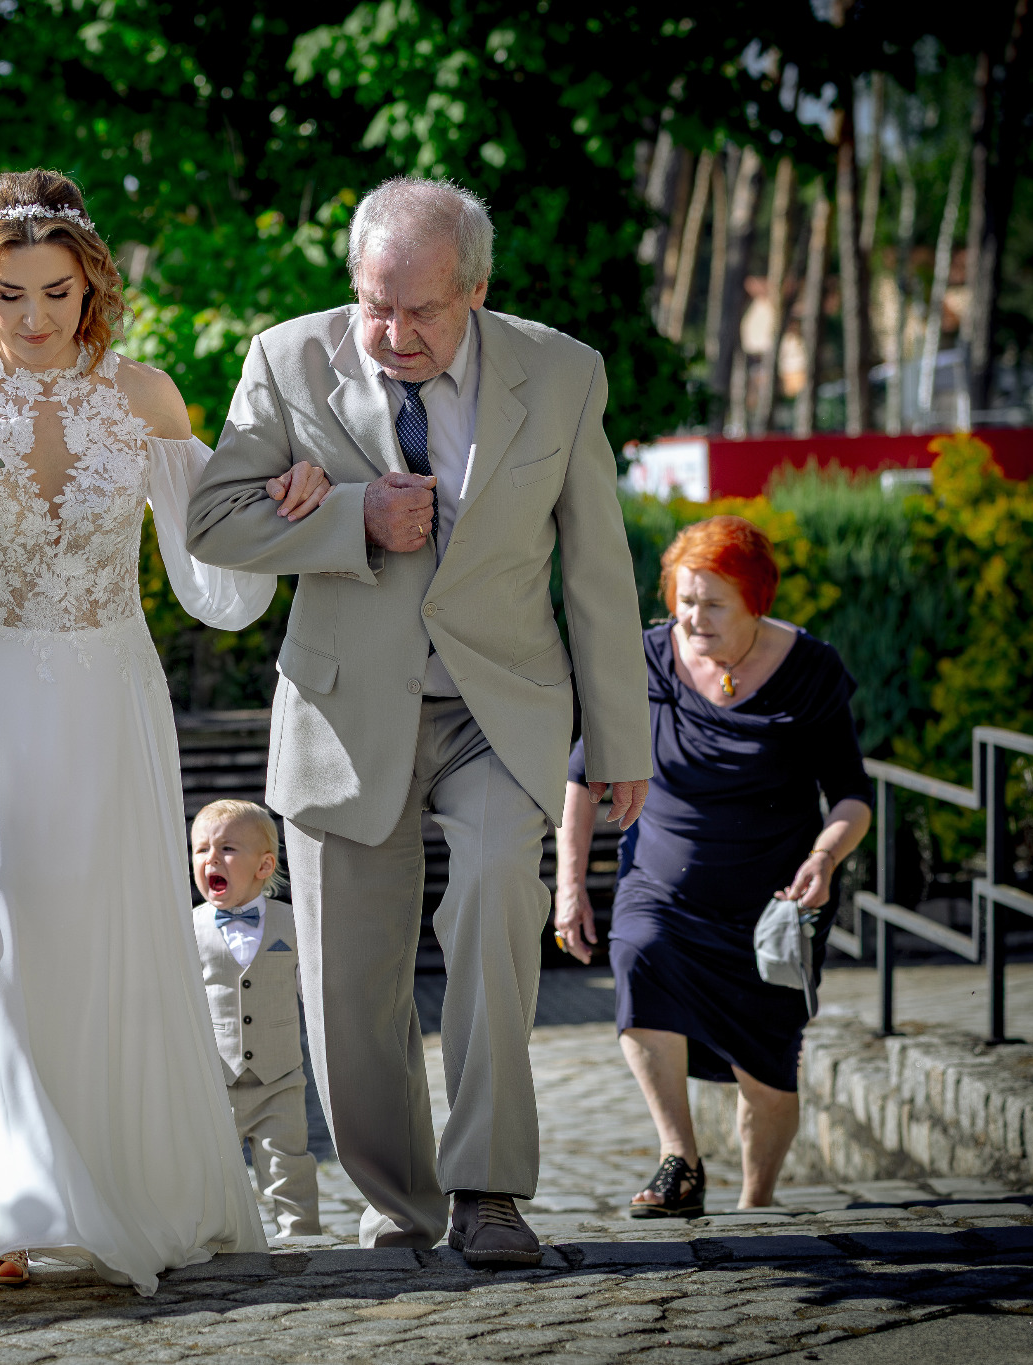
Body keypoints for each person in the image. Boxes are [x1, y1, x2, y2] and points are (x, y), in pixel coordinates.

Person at [0, 170, 327, 1301]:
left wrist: (284, 509)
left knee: (89, 935)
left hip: (105, 694)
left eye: (54, 290)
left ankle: (101, 1194)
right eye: (9, 296)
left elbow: (211, 572)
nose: (34, 317)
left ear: (91, 284)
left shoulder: (145, 399)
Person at [187, 177, 652, 1267]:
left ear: (475, 290)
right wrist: (351, 518)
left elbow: (594, 568)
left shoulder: (564, 371)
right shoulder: (285, 358)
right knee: (350, 983)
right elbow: (215, 519)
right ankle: (398, 1204)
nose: (390, 333)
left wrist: (619, 743)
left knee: (495, 903)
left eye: (419, 310)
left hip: (502, 709)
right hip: (345, 715)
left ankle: (487, 1191)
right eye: (371, 305)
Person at [553, 515, 872, 1217]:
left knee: (767, 1069)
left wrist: (825, 855)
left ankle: (757, 1203)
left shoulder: (810, 671)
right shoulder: (645, 661)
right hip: (661, 888)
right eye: (684, 597)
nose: (692, 616)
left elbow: (852, 795)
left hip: (775, 905)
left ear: (755, 600)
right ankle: (681, 1160)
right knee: (639, 955)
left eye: (713, 602)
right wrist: (569, 887)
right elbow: (582, 775)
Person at [188, 799, 321, 1241]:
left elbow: (313, 988)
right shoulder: (186, 928)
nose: (211, 859)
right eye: (201, 849)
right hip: (213, 1079)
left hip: (279, 1076)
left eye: (227, 849)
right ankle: (216, 1240)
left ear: (265, 865)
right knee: (211, 1170)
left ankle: (301, 1237)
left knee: (288, 1165)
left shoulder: (294, 922)